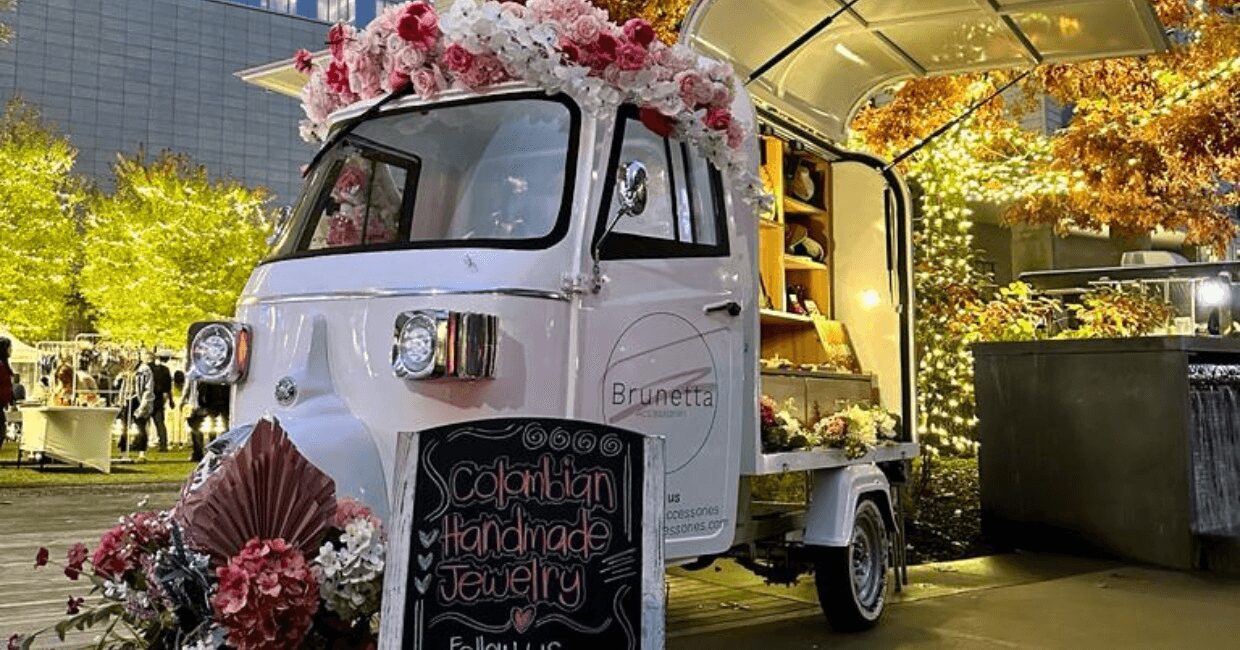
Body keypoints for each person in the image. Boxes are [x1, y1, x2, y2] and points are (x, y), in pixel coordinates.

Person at [149, 352, 173, 452]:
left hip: (149, 398)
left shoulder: (147, 368)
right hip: (159, 398)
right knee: (160, 422)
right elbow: (168, 387)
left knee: (143, 422)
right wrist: (170, 400)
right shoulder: (165, 370)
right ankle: (163, 443)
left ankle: (141, 442)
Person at [0, 339, 12, 451]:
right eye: (9, 347)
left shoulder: (3, 365)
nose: (11, 350)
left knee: (2, 432)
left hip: (1, 405)